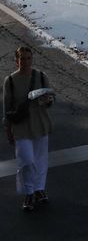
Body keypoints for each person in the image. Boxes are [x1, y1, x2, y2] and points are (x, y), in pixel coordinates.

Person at [4, 46, 54, 212]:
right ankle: (29, 192)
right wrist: (8, 130)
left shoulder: (41, 76)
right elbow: (7, 108)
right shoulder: (10, 81)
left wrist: (47, 101)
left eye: (28, 58)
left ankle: (38, 190)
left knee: (40, 160)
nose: (25, 61)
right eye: (22, 58)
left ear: (32, 59)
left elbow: (50, 100)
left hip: (40, 123)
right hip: (20, 126)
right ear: (16, 60)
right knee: (26, 161)